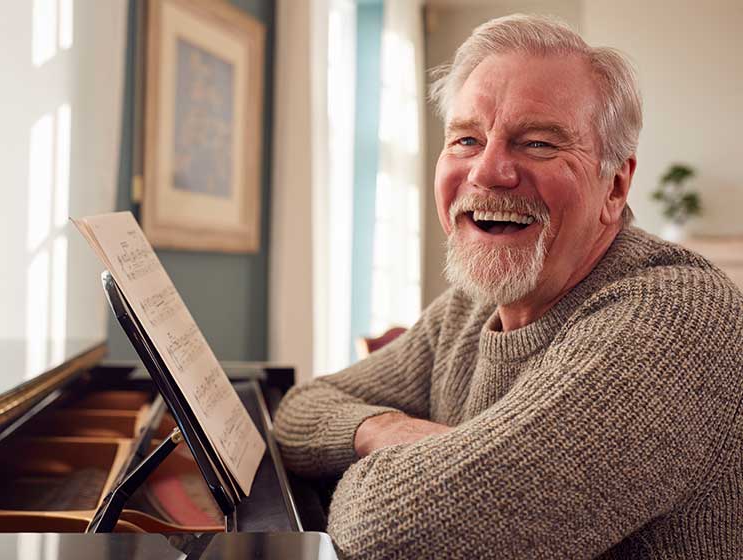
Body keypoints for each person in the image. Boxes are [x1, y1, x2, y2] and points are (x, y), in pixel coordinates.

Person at [273, 13, 743, 560]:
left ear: (614, 186)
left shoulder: (679, 316)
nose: (488, 171)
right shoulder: (469, 309)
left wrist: (374, 472)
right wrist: (384, 431)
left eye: (539, 143)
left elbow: (393, 530)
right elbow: (299, 409)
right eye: (466, 140)